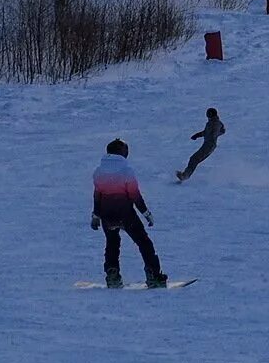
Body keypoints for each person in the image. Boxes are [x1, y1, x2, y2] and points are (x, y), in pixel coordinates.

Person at [91, 139, 165, 288]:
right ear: (122, 153)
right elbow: (134, 195)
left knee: (112, 244)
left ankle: (112, 275)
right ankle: (154, 276)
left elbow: (97, 195)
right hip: (125, 214)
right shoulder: (126, 171)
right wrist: (146, 213)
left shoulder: (98, 171)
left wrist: (96, 215)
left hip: (107, 215)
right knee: (144, 243)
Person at [176, 107, 225, 183]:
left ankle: (185, 175)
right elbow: (207, 132)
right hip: (207, 144)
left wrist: (215, 135)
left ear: (211, 114)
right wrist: (197, 135)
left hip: (210, 145)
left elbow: (218, 131)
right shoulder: (211, 123)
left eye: (208, 113)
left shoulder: (216, 123)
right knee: (194, 159)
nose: (207, 115)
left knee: (194, 159)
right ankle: (185, 175)